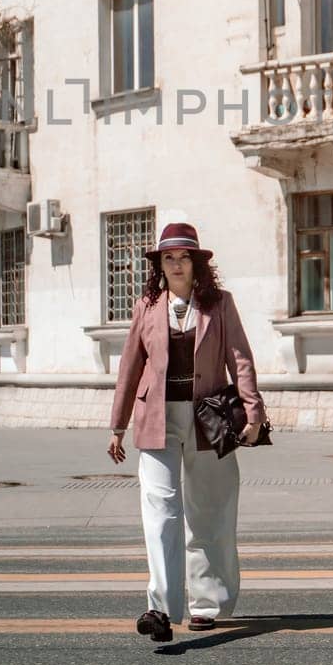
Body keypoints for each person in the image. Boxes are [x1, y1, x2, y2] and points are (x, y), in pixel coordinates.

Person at [107, 221, 266, 642]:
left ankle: (206, 604)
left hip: (209, 419)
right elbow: (129, 367)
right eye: (167, 257)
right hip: (155, 418)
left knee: (209, 511)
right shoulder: (147, 306)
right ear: (159, 264)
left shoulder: (220, 305)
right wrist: (117, 426)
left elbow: (240, 359)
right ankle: (159, 609)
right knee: (160, 513)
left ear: (196, 263)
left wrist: (253, 413)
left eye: (183, 257)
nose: (175, 264)